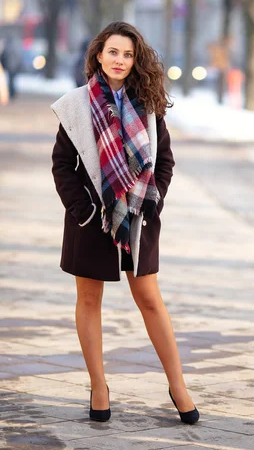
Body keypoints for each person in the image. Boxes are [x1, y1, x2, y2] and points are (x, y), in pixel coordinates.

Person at [51, 21, 199, 425]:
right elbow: (62, 165)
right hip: (91, 220)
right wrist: (83, 212)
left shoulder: (147, 104)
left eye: (128, 54)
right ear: (98, 54)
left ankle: (178, 384)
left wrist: (153, 202)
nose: (120, 60)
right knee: (89, 300)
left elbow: (165, 161)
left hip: (139, 217)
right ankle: (99, 386)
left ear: (136, 62)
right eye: (113, 52)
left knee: (149, 297)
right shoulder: (76, 105)